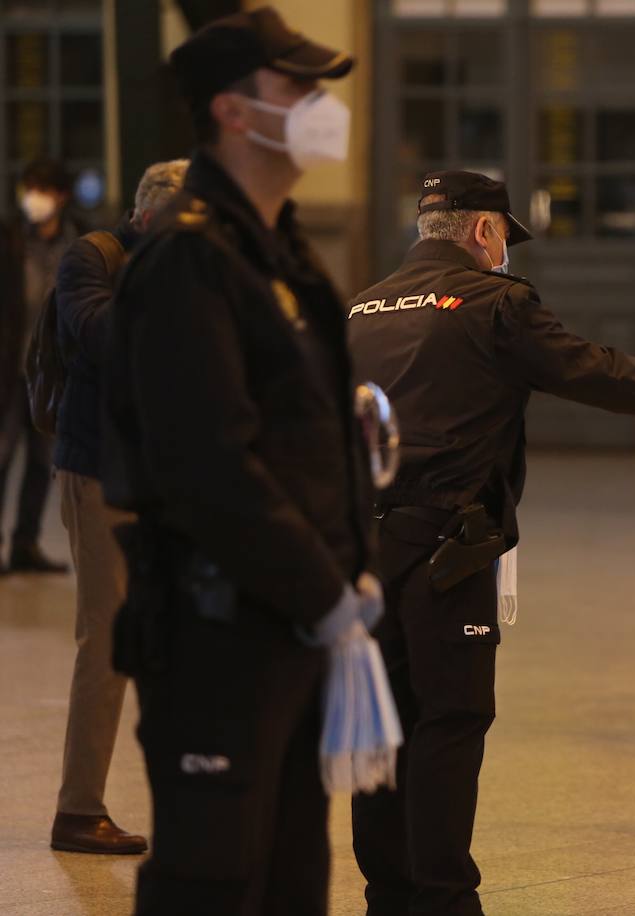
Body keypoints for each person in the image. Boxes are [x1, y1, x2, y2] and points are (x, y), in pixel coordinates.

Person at [346, 168, 635, 915]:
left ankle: (387, 897)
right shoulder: (494, 302)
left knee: (382, 723)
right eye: (502, 240)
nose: (503, 254)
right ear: (484, 231)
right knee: (449, 719)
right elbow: (593, 370)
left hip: (362, 543)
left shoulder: (361, 305)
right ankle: (446, 899)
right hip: (445, 548)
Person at [101, 9, 377, 914]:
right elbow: (207, 467)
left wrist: (352, 572)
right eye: (296, 87)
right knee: (212, 885)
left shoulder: (285, 253)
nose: (318, 104)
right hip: (218, 632)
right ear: (231, 109)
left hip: (292, 623)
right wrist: (324, 591)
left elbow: (314, 436)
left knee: (290, 880)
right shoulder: (188, 258)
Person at [48, 159, 187, 856]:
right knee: (107, 638)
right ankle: (78, 811)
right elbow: (103, 338)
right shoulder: (93, 258)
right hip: (100, 472)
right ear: (147, 217)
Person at [0, 158, 83, 573]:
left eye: (43, 189)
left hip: (51, 374)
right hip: (8, 368)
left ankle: (25, 545)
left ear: (62, 196)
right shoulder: (9, 238)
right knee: (2, 453)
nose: (34, 197)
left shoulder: (79, 242)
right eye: (29, 187)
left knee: (40, 460)